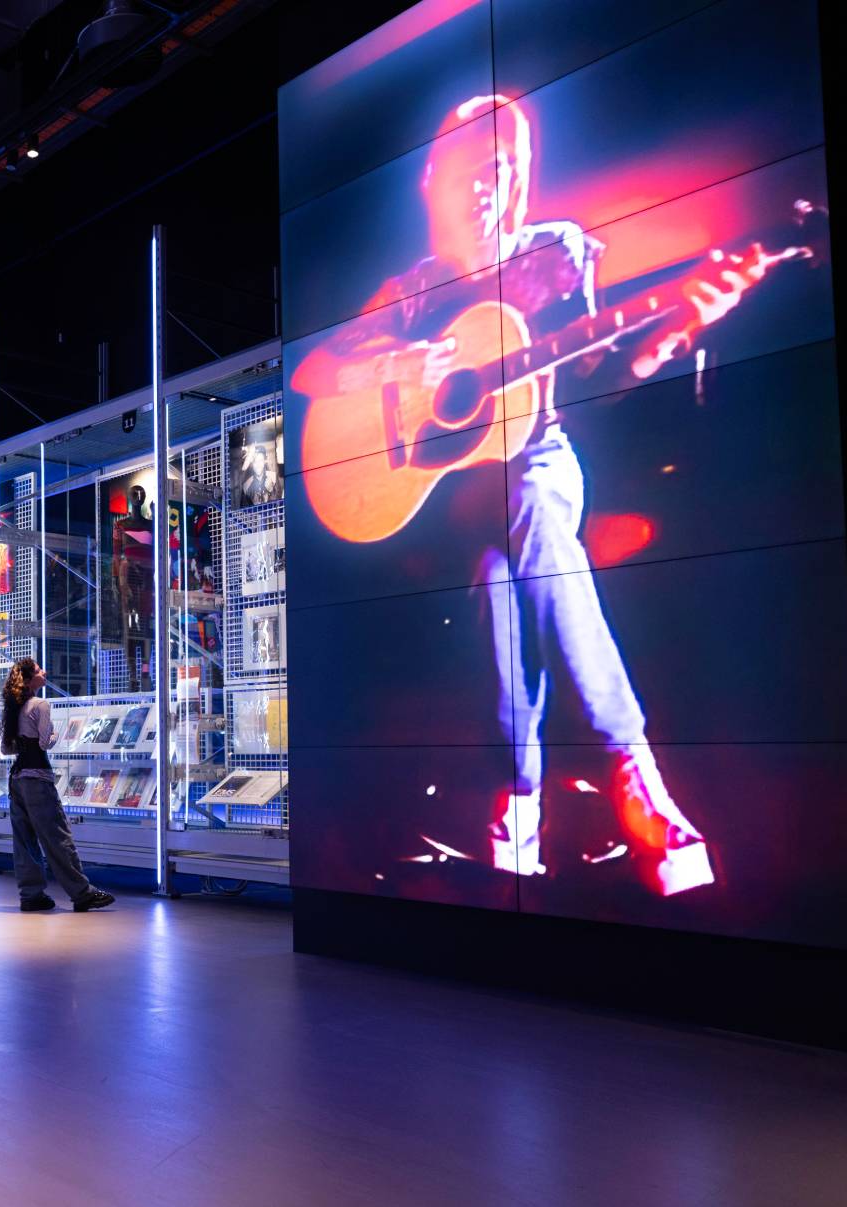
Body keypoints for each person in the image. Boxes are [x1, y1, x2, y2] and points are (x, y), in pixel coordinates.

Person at [291, 95, 772, 896]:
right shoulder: (408, 291)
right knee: (495, 568)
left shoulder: (556, 251)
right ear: (432, 180)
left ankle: (536, 792)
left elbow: (598, 380)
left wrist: (676, 326)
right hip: (441, 495)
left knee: (531, 516)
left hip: (539, 458)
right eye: (479, 165)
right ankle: (623, 781)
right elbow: (311, 373)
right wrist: (395, 369)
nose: (497, 182)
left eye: (511, 165)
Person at [1, 657, 115, 913]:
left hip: (16, 780)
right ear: (30, 679)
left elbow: (6, 748)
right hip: (38, 778)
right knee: (57, 836)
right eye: (40, 669)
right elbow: (44, 744)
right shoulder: (41, 704)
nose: (45, 671)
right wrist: (53, 734)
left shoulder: (12, 707)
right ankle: (82, 893)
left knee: (24, 841)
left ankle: (31, 895)